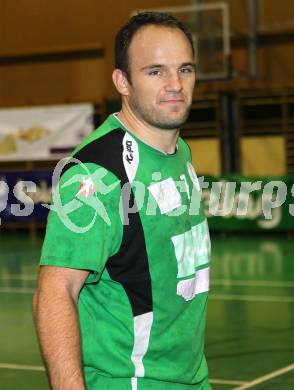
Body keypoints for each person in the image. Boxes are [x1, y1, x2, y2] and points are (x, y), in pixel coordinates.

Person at [33, 11, 211, 390]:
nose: (175, 84)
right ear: (123, 81)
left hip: (192, 379)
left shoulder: (179, 152)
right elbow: (55, 292)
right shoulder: (97, 174)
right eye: (155, 71)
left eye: (185, 69)